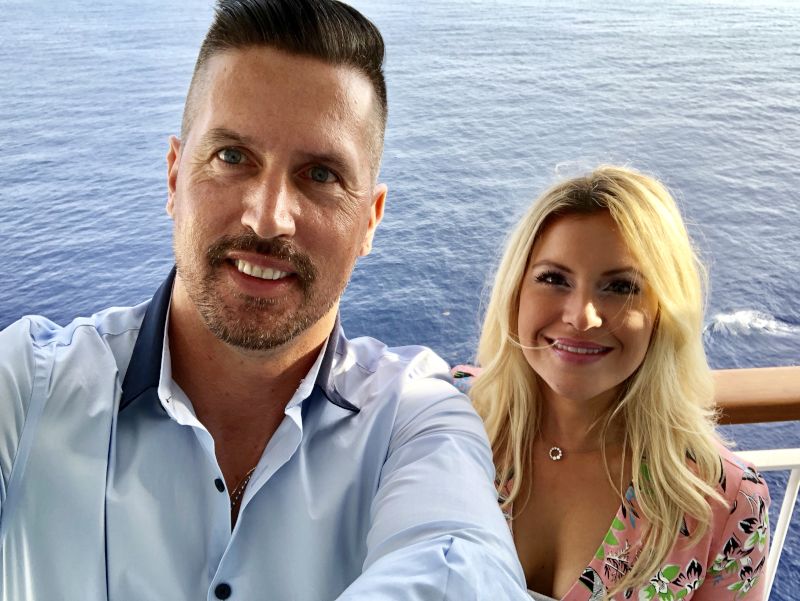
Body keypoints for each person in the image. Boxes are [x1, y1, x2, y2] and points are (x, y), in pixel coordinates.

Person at [0, 1, 530, 599]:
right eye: (232, 157)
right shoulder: (27, 387)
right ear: (174, 176)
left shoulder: (415, 421)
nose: (269, 217)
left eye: (321, 175)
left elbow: (460, 568)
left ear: (370, 221)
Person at [466, 166, 770, 600]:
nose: (581, 316)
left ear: (664, 312)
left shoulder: (726, 502)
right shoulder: (441, 419)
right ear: (514, 291)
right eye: (553, 278)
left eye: (621, 287)